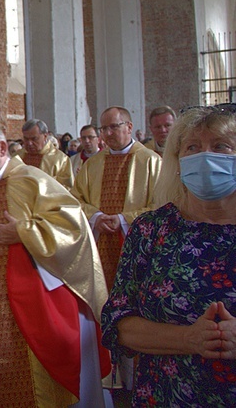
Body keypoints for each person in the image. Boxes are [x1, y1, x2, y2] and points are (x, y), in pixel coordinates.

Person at [0, 124, 109, 406]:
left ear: (2, 148)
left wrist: (24, 231)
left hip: (35, 304)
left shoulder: (31, 179)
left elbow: (74, 227)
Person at [101, 104, 236, 405]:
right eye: (192, 147)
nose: (204, 156)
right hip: (166, 393)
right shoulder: (151, 230)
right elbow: (117, 322)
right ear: (176, 161)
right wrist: (189, 339)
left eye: (220, 146)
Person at [71, 106, 161, 391]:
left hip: (137, 250)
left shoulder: (151, 162)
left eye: (113, 127)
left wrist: (123, 220)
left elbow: (161, 206)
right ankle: (109, 380)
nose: (107, 134)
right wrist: (96, 217)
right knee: (104, 308)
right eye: (104, 129)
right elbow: (74, 200)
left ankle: (137, 382)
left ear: (129, 126)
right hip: (100, 249)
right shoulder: (92, 164)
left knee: (135, 309)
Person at [17, 119, 74, 188]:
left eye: (34, 139)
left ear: (45, 136)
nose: (29, 143)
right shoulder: (17, 157)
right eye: (26, 139)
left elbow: (67, 188)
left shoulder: (61, 160)